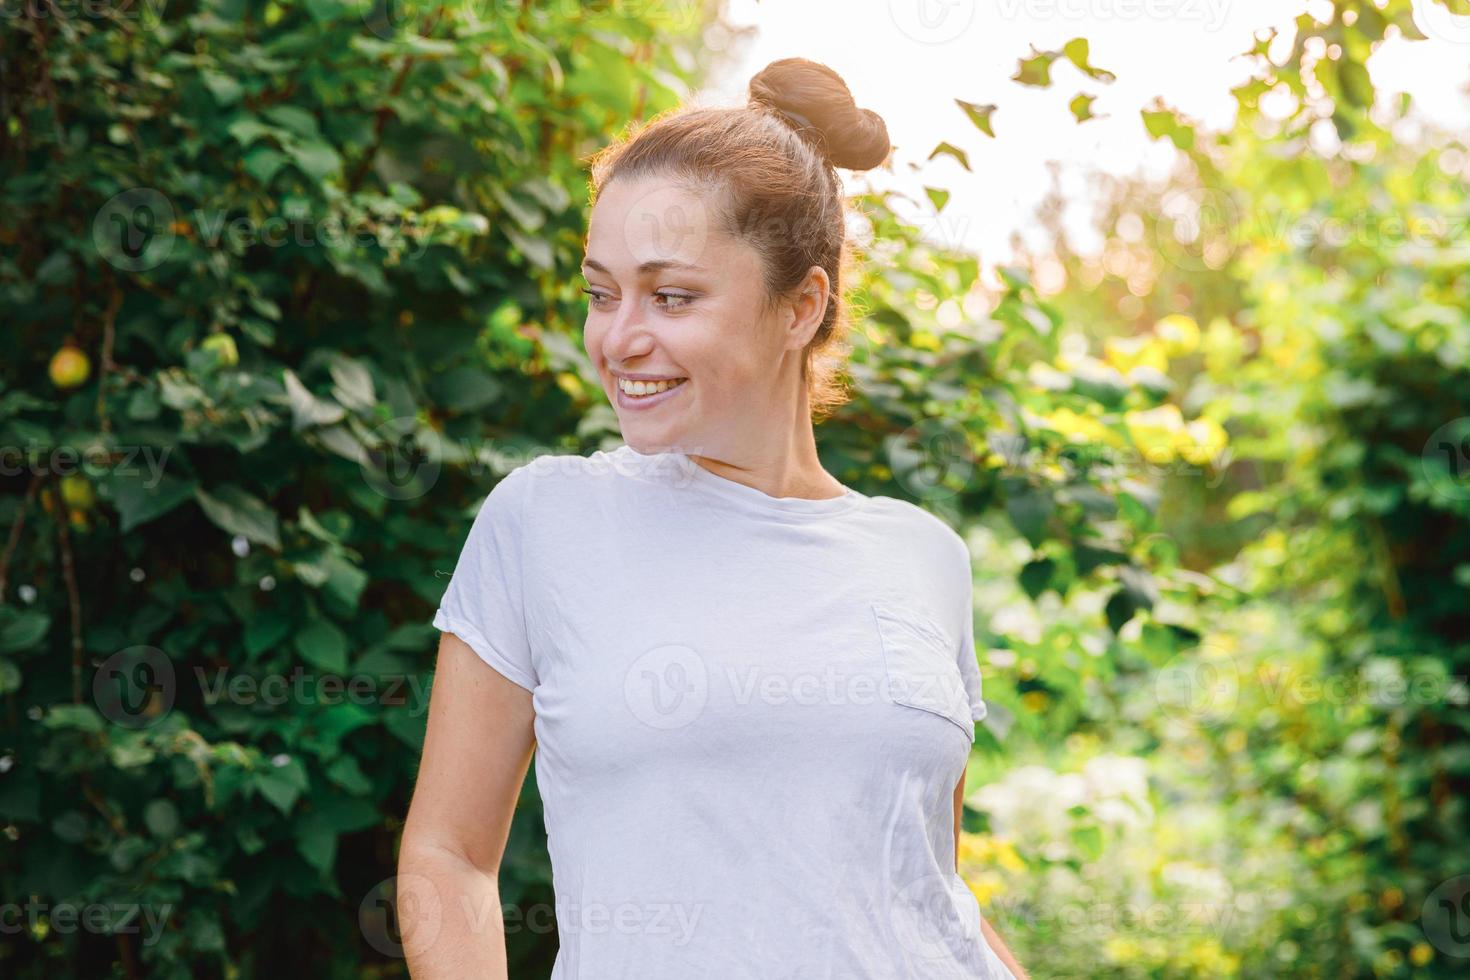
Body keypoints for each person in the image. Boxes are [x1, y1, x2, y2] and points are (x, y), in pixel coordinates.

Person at [397, 57, 1027, 980]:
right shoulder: (548, 521)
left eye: (672, 296)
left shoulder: (923, 556)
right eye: (601, 293)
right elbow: (448, 859)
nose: (619, 339)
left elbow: (924, 889)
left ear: (801, 307)